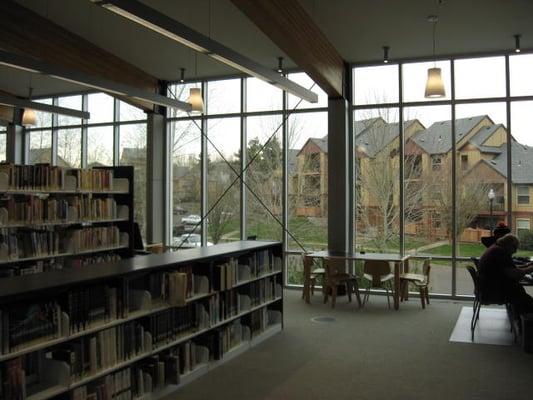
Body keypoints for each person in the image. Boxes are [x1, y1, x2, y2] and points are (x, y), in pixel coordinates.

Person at [478, 233, 533, 313]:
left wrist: (527, 265)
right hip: (494, 291)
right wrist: (530, 269)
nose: (515, 251)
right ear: (508, 245)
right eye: (514, 248)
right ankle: (524, 320)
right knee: (525, 300)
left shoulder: (496, 248)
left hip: (488, 287)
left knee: (520, 294)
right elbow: (513, 273)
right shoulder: (500, 252)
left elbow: (509, 268)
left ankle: (518, 318)